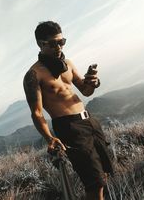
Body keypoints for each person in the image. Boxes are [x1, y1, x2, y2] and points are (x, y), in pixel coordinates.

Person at [23, 21, 113, 200]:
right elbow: (37, 113)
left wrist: (93, 82)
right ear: (41, 44)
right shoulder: (34, 75)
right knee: (94, 184)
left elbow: (85, 90)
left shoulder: (68, 64)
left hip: (90, 122)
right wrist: (49, 138)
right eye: (54, 43)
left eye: (61, 41)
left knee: (104, 174)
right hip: (70, 128)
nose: (59, 46)